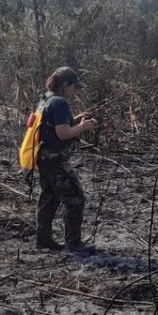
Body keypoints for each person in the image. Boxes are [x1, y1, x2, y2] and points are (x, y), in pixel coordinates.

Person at [35, 66, 98, 252]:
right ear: (65, 85)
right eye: (74, 87)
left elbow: (53, 126)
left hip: (44, 158)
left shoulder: (46, 99)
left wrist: (76, 119)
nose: (75, 91)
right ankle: (74, 244)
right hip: (55, 160)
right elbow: (63, 134)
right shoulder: (60, 103)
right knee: (76, 199)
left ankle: (43, 240)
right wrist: (83, 127)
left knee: (49, 198)